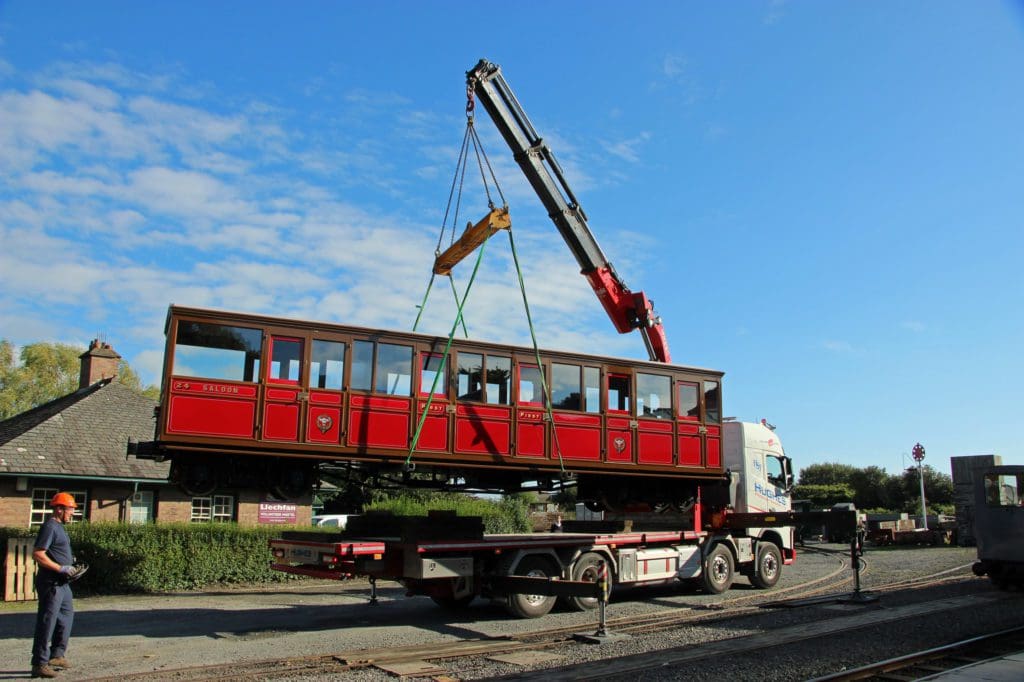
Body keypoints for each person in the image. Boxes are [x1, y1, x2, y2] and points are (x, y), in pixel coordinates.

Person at [30, 492, 79, 679]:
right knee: (47, 621)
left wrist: (71, 567)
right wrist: (60, 568)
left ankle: (57, 654)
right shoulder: (50, 527)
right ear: (59, 509)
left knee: (66, 617)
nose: (72, 513)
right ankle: (39, 663)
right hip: (51, 582)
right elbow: (38, 554)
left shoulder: (60, 527)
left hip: (63, 583)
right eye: (70, 509)